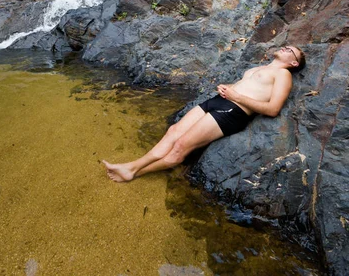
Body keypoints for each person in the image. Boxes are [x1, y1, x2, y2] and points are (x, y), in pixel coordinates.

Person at [103, 45, 305, 183]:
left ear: (294, 63)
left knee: (181, 147)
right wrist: (229, 88)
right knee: (174, 132)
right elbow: (248, 87)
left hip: (234, 111)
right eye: (286, 46)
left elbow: (273, 108)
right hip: (221, 101)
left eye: (290, 51)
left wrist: (236, 96)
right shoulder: (259, 68)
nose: (285, 48)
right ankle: (132, 166)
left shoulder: (283, 74)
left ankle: (134, 171)